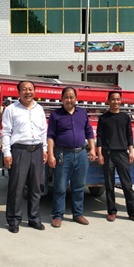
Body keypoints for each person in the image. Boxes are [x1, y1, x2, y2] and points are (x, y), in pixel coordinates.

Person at [1, 81, 47, 234]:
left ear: (34, 91)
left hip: (37, 150)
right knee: (17, 188)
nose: (28, 92)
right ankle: (14, 220)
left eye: (30, 89)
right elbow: (6, 132)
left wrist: (44, 149)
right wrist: (7, 153)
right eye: (24, 89)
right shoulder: (11, 109)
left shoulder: (39, 109)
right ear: (19, 92)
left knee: (36, 187)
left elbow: (43, 131)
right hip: (19, 150)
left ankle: (34, 218)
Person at [47, 87, 96, 227]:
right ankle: (58, 215)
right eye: (66, 97)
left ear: (76, 98)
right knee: (60, 187)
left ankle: (78, 214)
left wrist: (92, 149)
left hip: (81, 154)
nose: (69, 100)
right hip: (63, 154)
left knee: (79, 187)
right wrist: (51, 155)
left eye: (71, 97)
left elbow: (89, 132)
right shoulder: (56, 115)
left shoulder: (82, 112)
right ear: (62, 99)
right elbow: (50, 136)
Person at [97, 91, 134, 223]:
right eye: (113, 99)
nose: (116, 102)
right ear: (108, 101)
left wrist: (131, 151)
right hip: (108, 154)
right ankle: (112, 211)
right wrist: (100, 153)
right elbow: (99, 136)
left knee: (127, 184)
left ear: (121, 100)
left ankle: (133, 212)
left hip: (122, 153)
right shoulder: (103, 118)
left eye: (118, 99)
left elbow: (129, 134)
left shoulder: (125, 117)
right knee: (109, 185)